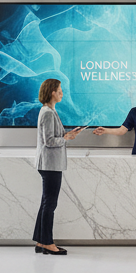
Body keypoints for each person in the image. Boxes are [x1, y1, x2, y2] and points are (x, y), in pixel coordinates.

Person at [34, 78, 82, 256]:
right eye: (60, 89)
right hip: (50, 164)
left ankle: (41, 240)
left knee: (46, 203)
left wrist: (67, 134)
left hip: (50, 163)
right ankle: (47, 242)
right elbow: (49, 141)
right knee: (50, 204)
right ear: (52, 91)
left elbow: (53, 135)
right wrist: (66, 138)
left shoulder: (50, 111)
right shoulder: (47, 112)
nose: (62, 92)